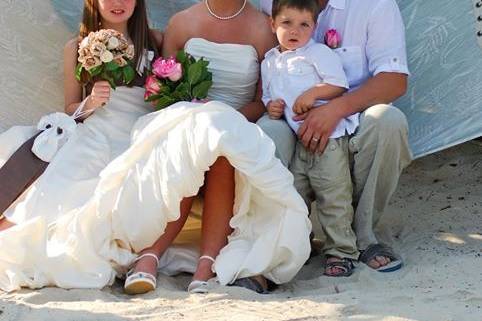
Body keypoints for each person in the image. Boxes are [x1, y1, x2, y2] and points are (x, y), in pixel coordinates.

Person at [0, 0, 312, 295]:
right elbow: (71, 107)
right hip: (100, 130)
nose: (118, 3)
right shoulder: (77, 47)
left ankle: (195, 260)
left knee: (187, 147)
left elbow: (166, 92)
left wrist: (174, 95)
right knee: (63, 198)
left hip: (143, 130)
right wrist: (91, 102)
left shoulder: (154, 42)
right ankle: (148, 254)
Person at [259, 0, 412, 272]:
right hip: (293, 123)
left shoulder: (375, 6)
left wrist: (335, 110)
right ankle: (291, 237)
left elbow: (394, 79)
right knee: (266, 131)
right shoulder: (270, 3)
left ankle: (363, 237)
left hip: (350, 122)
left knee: (388, 121)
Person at [261, 0, 359, 277]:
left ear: (314, 28)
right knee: (296, 196)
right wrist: (272, 107)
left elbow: (339, 84)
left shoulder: (316, 52)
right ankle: (301, 247)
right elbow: (268, 94)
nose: (295, 31)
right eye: (287, 23)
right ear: (272, 24)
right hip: (297, 140)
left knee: (333, 196)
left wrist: (314, 93)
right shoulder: (269, 61)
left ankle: (341, 251)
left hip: (328, 140)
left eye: (304, 24)